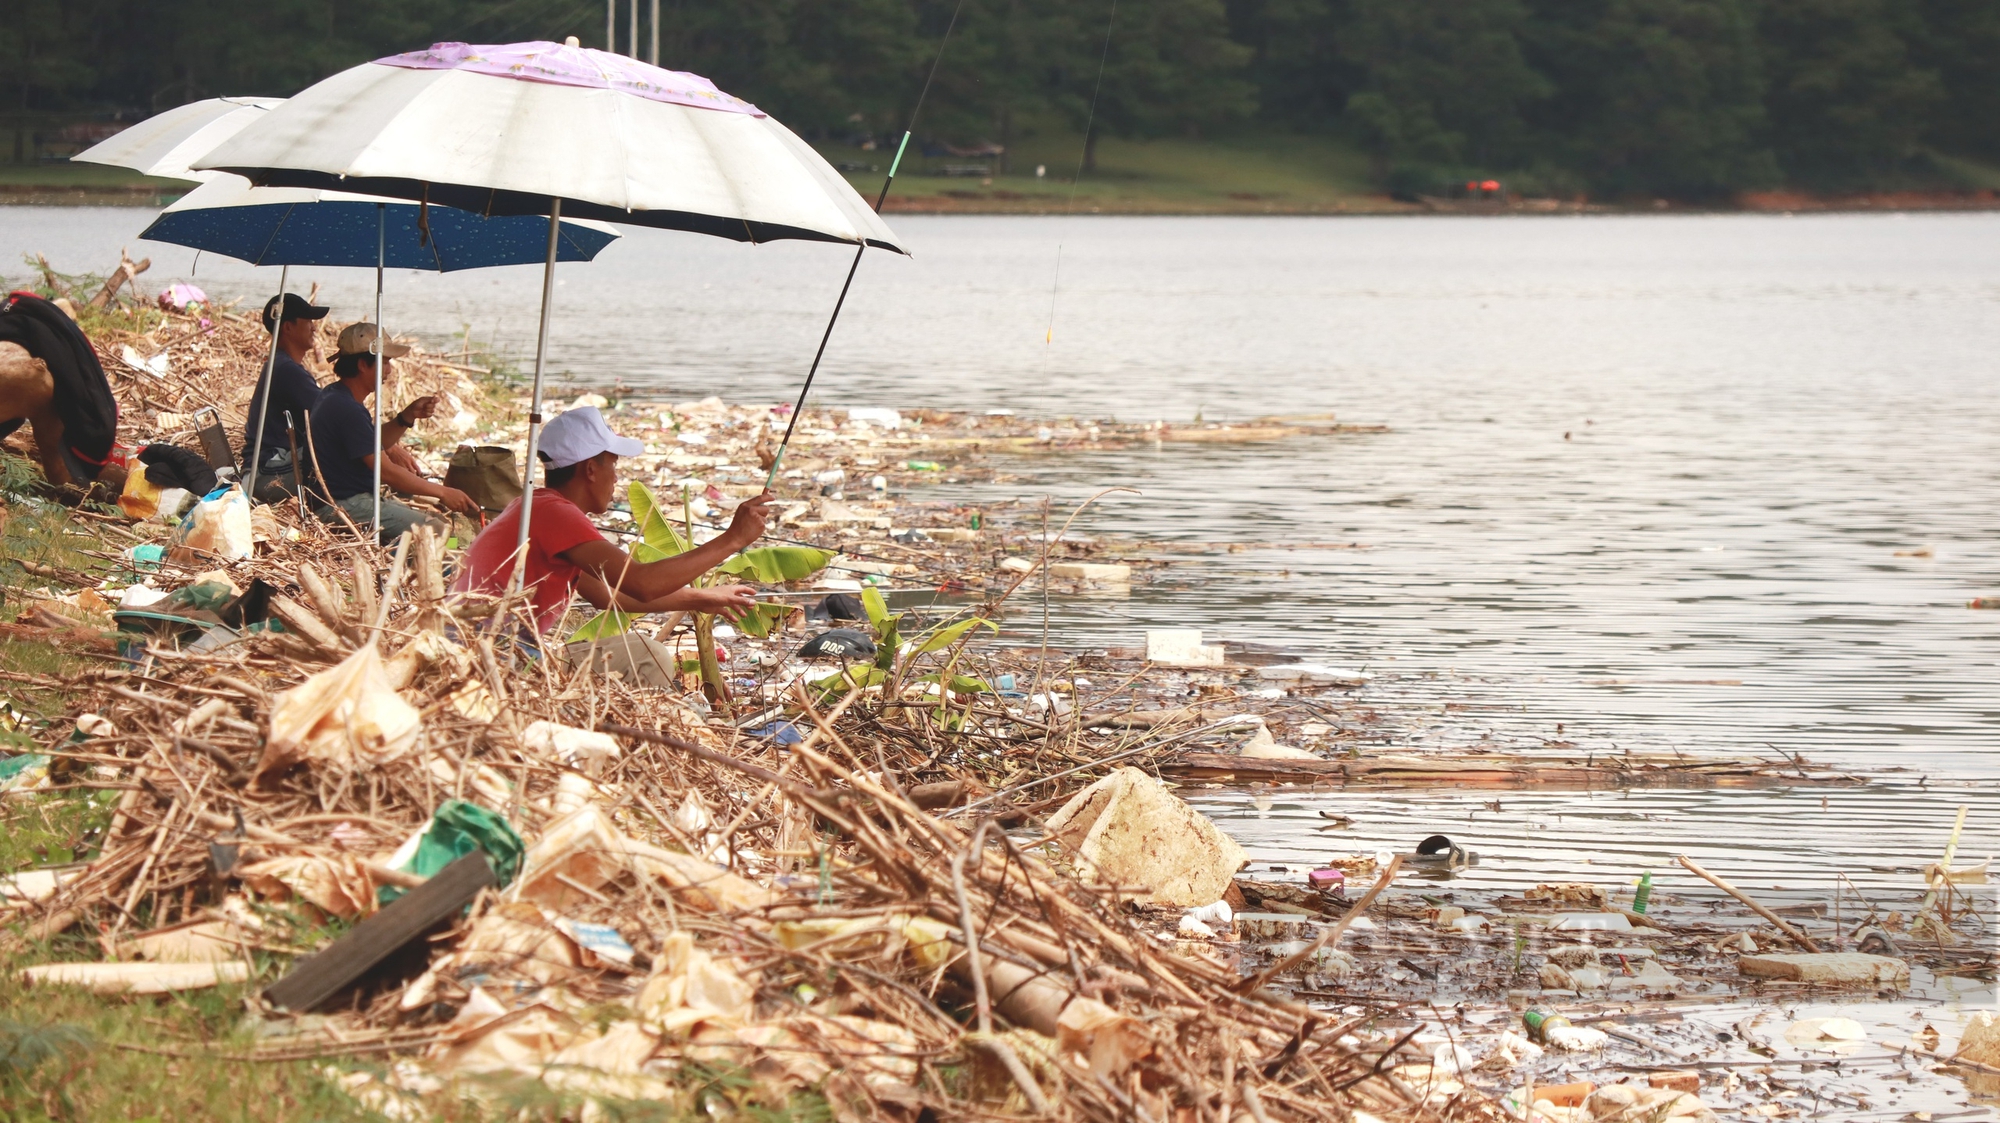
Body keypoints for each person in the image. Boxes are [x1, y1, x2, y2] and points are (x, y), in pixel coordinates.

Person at [452, 406, 772, 686]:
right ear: (591, 469)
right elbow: (641, 583)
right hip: (493, 658)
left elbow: (609, 595)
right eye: (613, 466)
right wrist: (733, 539)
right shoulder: (555, 513)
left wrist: (699, 598)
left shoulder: (536, 506)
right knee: (649, 655)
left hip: (489, 649)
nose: (616, 478)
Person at [305, 322, 482, 542]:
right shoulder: (347, 408)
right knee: (440, 531)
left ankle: (448, 556)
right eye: (385, 362)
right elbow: (386, 472)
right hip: (342, 505)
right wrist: (443, 492)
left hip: (348, 499)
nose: (388, 370)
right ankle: (451, 567)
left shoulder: (336, 395)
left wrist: (406, 417)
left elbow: (371, 443)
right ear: (362, 364)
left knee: (436, 520)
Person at [244, 292, 329, 503]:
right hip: (267, 472)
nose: (314, 327)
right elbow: (333, 415)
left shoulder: (282, 365)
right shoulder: (286, 370)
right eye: (308, 321)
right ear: (288, 327)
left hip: (267, 466)